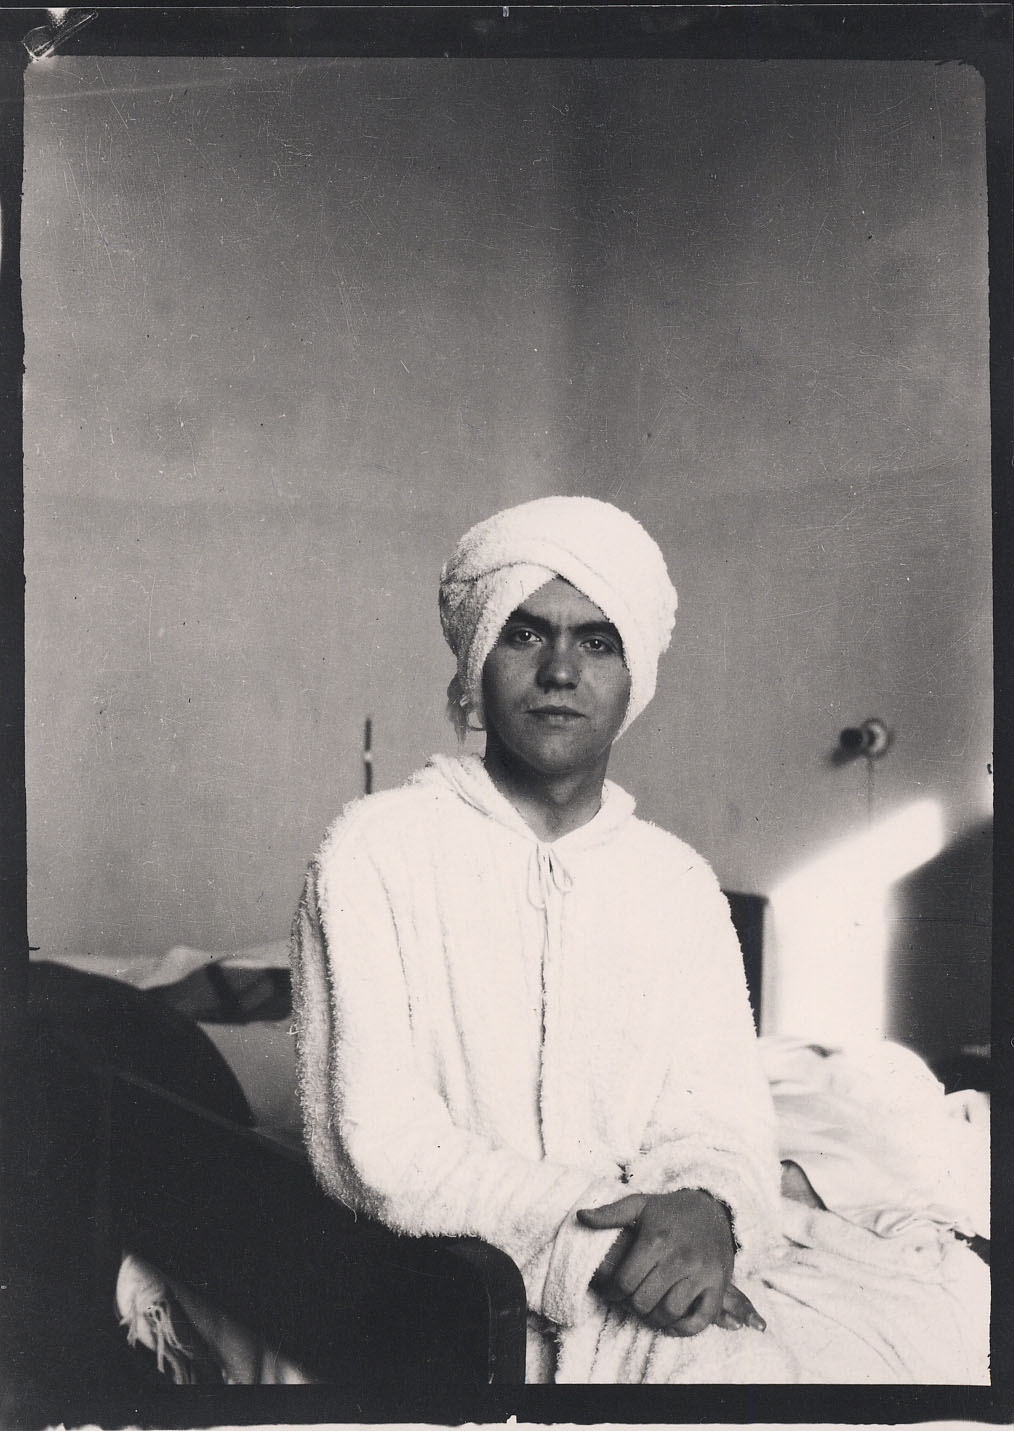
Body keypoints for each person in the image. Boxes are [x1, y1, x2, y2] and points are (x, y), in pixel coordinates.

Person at [290, 495, 988, 1384]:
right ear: (475, 660)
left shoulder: (680, 886)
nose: (558, 670)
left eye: (597, 640)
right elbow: (377, 1145)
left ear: (636, 676)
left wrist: (708, 1206)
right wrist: (600, 1239)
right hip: (457, 1290)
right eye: (525, 634)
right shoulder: (373, 851)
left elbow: (723, 1121)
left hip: (661, 1282)